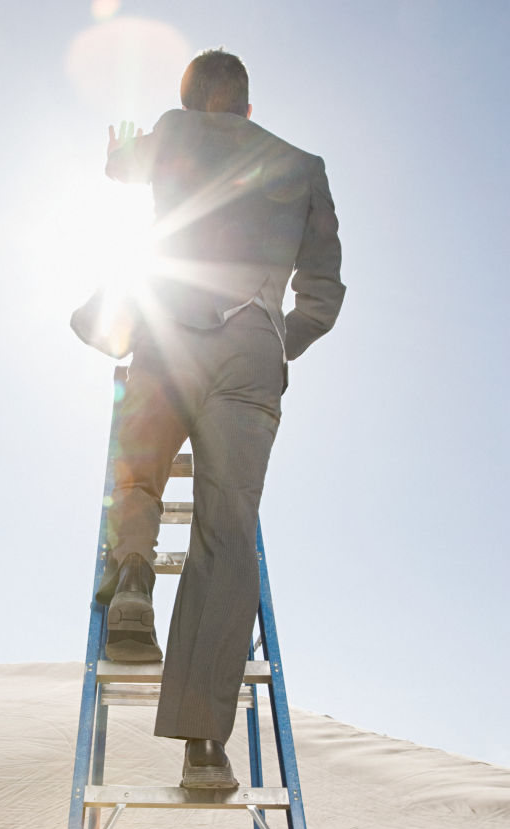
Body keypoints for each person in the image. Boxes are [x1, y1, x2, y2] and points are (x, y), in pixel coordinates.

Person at [81, 49, 345, 788]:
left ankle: (133, 576)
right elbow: (324, 290)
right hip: (251, 350)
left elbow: (127, 164)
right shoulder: (303, 165)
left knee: (137, 465)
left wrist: (117, 158)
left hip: (168, 333)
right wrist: (272, 338)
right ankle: (204, 747)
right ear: (249, 109)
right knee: (227, 534)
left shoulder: (174, 131)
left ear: (193, 104)